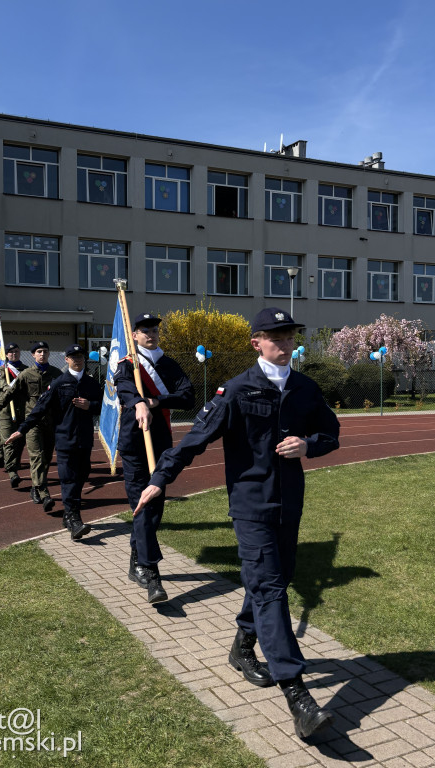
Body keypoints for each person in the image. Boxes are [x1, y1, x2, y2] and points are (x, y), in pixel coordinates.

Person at [134, 307, 340, 740]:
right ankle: (297, 693)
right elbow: (194, 439)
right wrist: (159, 479)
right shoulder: (237, 389)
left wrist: (308, 445)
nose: (284, 345)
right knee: (269, 589)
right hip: (250, 507)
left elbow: (331, 432)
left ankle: (243, 646)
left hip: (290, 504)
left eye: (289, 338)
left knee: (276, 580)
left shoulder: (305, 388)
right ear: (257, 342)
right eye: (276, 338)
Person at [114, 312, 195, 604]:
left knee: (154, 508)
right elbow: (123, 389)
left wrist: (157, 401)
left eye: (154, 330)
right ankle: (151, 573)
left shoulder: (168, 364)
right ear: (134, 335)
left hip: (160, 443)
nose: (151, 334)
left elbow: (188, 396)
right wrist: (138, 402)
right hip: (136, 445)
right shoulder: (128, 364)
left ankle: (136, 561)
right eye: (144, 330)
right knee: (143, 505)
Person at [5, 344, 102, 539]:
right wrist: (22, 430)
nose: (78, 360)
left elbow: (104, 407)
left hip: (84, 440)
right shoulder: (59, 383)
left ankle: (69, 514)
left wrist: (89, 405)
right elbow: (39, 409)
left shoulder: (92, 384)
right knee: (68, 478)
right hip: (65, 440)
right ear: (66, 359)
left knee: (82, 475)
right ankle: (74, 519)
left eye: (80, 356)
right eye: (73, 357)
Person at [0, 341, 61, 511]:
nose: (42, 354)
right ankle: (43, 492)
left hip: (50, 422)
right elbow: (7, 394)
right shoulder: (26, 375)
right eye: (39, 351)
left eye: (45, 351)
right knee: (36, 455)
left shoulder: (56, 374)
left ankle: (36, 486)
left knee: (47, 458)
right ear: (33, 355)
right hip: (32, 423)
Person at [0, 343, 28, 488]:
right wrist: (12, 389)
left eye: (16, 351)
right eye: (11, 352)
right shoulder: (2, 370)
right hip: (7, 410)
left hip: (24, 410)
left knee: (21, 440)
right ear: (6, 355)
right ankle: (12, 472)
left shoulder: (26, 370)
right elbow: (1, 385)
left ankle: (15, 463)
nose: (14, 354)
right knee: (8, 441)